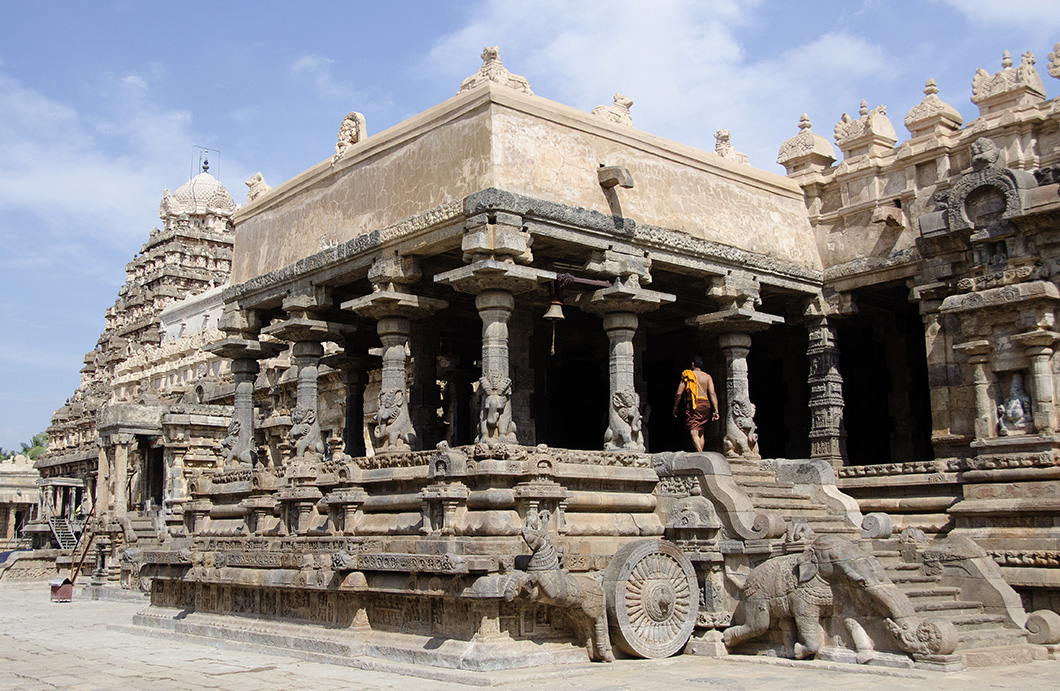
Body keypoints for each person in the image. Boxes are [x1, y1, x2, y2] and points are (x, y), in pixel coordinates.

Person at [672, 356, 719, 451]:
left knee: (693, 430)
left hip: (694, 404)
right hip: (706, 404)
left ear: (693, 364)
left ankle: (700, 453)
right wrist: (716, 411)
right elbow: (713, 394)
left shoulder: (688, 375)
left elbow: (678, 393)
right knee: (701, 431)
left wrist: (675, 406)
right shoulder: (707, 377)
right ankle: (701, 452)